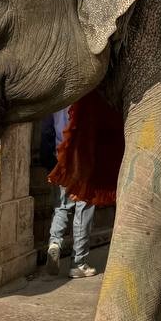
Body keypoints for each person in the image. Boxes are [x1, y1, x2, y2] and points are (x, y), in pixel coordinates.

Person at [46, 107, 97, 279]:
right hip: (84, 162)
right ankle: (78, 263)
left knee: (61, 207)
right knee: (83, 208)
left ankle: (54, 243)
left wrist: (49, 166)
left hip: (60, 161)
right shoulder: (88, 101)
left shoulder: (57, 102)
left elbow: (46, 132)